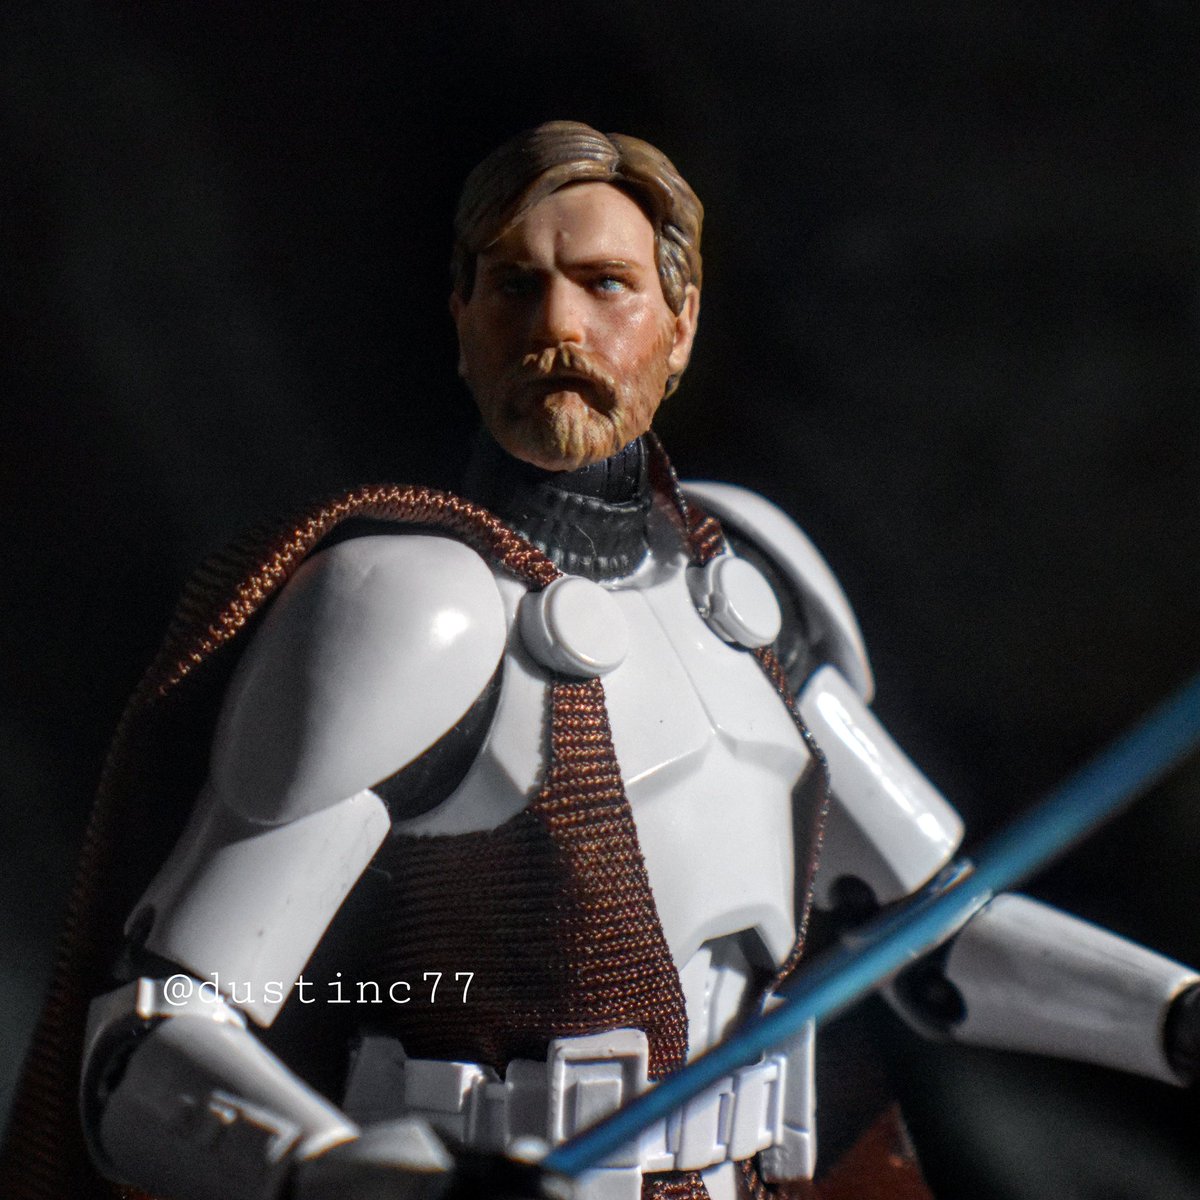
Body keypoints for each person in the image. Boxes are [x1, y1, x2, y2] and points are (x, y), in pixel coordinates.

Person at [7, 120, 1199, 1200]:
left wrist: (1174, 1017)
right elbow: (148, 1040)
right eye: (514, 285)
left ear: (681, 326)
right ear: (463, 319)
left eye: (606, 284)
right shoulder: (416, 613)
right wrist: (330, 1172)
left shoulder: (749, 592)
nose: (558, 329)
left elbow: (936, 942)